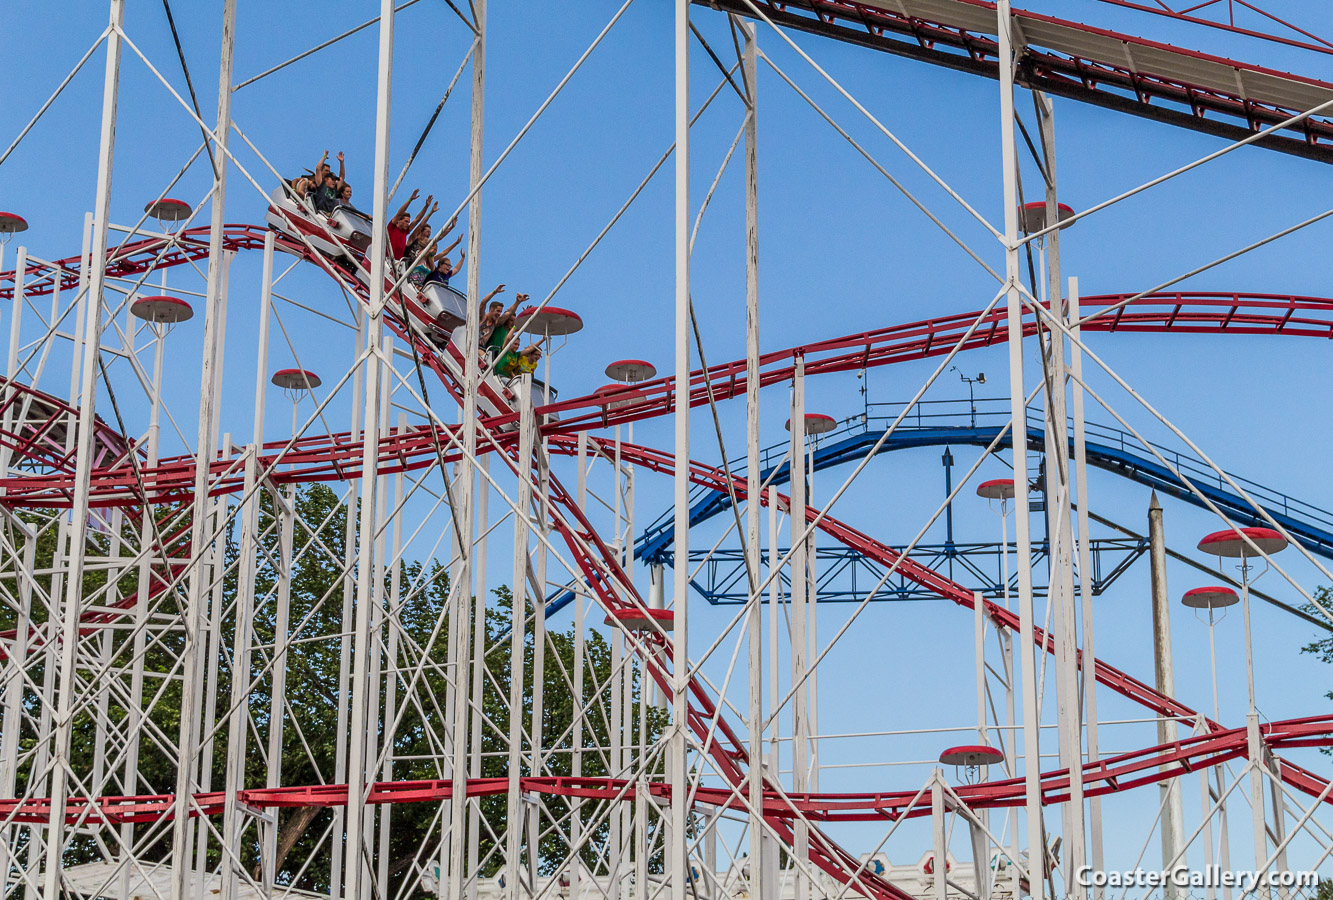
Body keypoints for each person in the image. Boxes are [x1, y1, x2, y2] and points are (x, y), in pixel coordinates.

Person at [387, 190, 433, 261]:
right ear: (399, 220)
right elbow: (399, 213)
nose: (408, 224)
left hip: (397, 263)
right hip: (386, 259)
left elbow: (417, 220)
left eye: (408, 222)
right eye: (406, 221)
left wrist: (426, 207)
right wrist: (410, 200)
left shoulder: (405, 231)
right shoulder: (392, 227)